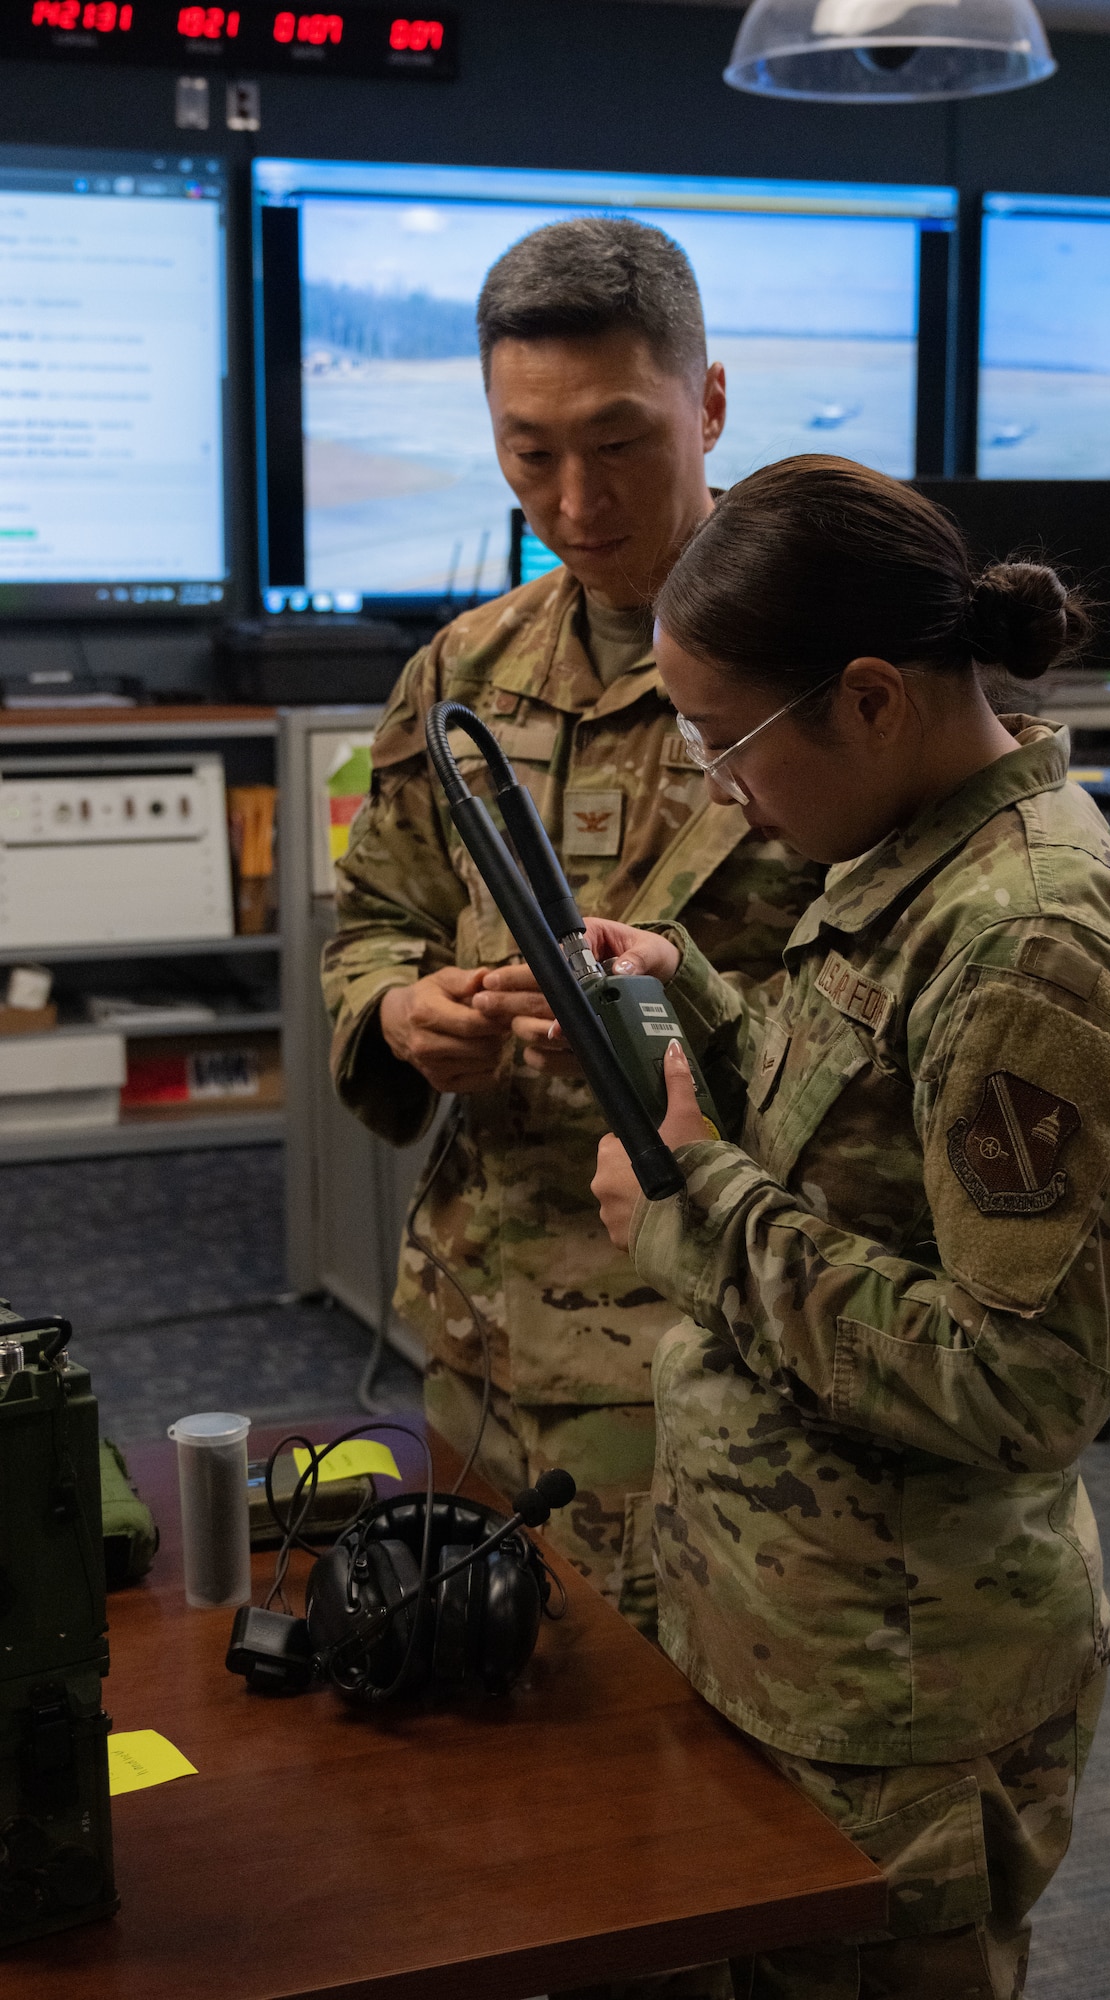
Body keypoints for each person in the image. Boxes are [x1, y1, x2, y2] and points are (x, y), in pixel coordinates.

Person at [516, 456, 1110, 1997]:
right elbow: (863, 1130)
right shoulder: (911, 850)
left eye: (724, 741)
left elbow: (1026, 1384)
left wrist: (694, 1209)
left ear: (873, 698)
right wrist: (686, 996)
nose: (719, 786)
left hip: (899, 1687)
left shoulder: (1028, 944)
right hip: (789, 1618)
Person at [321, 219, 824, 1631]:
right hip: (484, 1324)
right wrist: (403, 1013)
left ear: (707, 404)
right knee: (492, 1683)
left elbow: (910, 1001)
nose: (576, 499)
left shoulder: (835, 671)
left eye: (617, 442)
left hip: (726, 1338)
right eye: (528, 452)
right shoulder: (464, 672)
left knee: (691, 1734)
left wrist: (664, 1023)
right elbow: (377, 917)